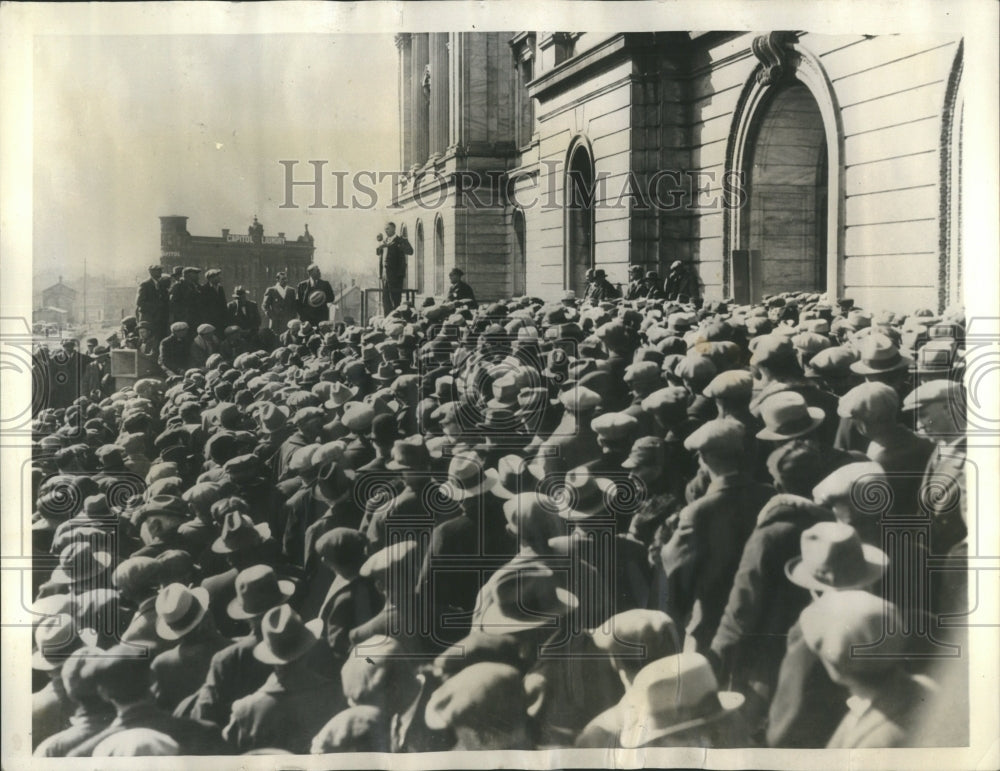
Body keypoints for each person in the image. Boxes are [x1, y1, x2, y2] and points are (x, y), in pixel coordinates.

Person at [376, 221, 413, 313]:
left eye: (388, 229)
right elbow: (378, 253)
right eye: (385, 229)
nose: (386, 231)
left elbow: (410, 251)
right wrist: (380, 246)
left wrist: (400, 245)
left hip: (396, 276)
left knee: (395, 300)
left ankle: (395, 320)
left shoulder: (400, 240)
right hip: (385, 276)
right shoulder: (384, 241)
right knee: (386, 300)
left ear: (393, 229)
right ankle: (387, 320)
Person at [135, 264, 169, 341]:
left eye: (160, 270)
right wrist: (156, 306)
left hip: (159, 319)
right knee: (150, 340)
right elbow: (139, 302)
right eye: (158, 270)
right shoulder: (145, 284)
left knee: (159, 338)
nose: (160, 272)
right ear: (151, 272)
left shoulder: (160, 284)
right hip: (149, 318)